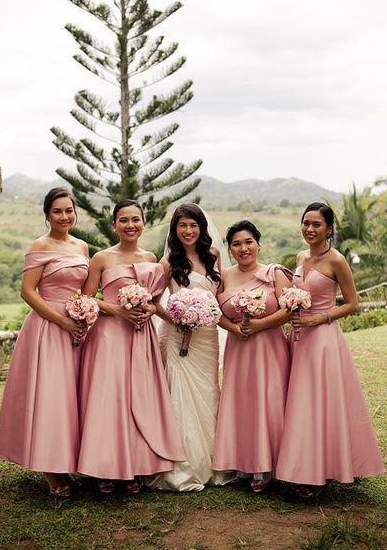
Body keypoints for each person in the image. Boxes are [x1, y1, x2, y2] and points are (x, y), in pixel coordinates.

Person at [276, 202, 385, 498]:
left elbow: (352, 303)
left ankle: (319, 474)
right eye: (306, 223)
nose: (309, 229)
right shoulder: (300, 257)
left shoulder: (336, 260)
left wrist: (318, 318)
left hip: (323, 340)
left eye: (316, 225)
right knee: (300, 404)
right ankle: (300, 466)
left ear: (329, 229)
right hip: (297, 339)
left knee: (318, 404)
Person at [77, 200, 185, 493]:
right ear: (114, 225)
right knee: (109, 399)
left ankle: (136, 466)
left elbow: (155, 300)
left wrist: (149, 310)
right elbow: (87, 299)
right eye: (123, 220)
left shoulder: (150, 257)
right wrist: (117, 310)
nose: (130, 225)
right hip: (109, 336)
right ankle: (105, 469)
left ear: (143, 223)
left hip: (141, 335)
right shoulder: (101, 258)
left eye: (135, 219)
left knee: (139, 396)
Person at [0, 187, 89, 497]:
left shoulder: (82, 247)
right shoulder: (40, 245)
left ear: (76, 212)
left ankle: (62, 463)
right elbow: (28, 291)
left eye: (69, 210)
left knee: (68, 398)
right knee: (50, 396)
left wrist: (84, 315)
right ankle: (51, 472)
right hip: (48, 328)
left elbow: (84, 292)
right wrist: (61, 319)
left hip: (76, 329)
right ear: (47, 215)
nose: (64, 216)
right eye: (57, 211)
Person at [146, 203, 235, 492]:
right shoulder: (168, 261)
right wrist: (179, 317)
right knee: (180, 396)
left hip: (207, 337)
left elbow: (218, 298)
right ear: (174, 229)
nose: (188, 231)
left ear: (201, 228)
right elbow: (153, 302)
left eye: (193, 225)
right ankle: (181, 467)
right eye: (182, 225)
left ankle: (212, 462)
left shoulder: (214, 255)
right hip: (177, 335)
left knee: (208, 391)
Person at [212, 220, 292, 492]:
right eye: (236, 243)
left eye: (248, 242)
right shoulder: (223, 276)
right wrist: (233, 327)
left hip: (269, 348)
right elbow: (216, 312)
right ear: (230, 248)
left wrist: (260, 324)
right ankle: (243, 464)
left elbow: (288, 311)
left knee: (269, 401)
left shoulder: (274, 274)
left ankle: (270, 466)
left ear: (258, 244)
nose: (243, 248)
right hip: (239, 348)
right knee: (242, 403)